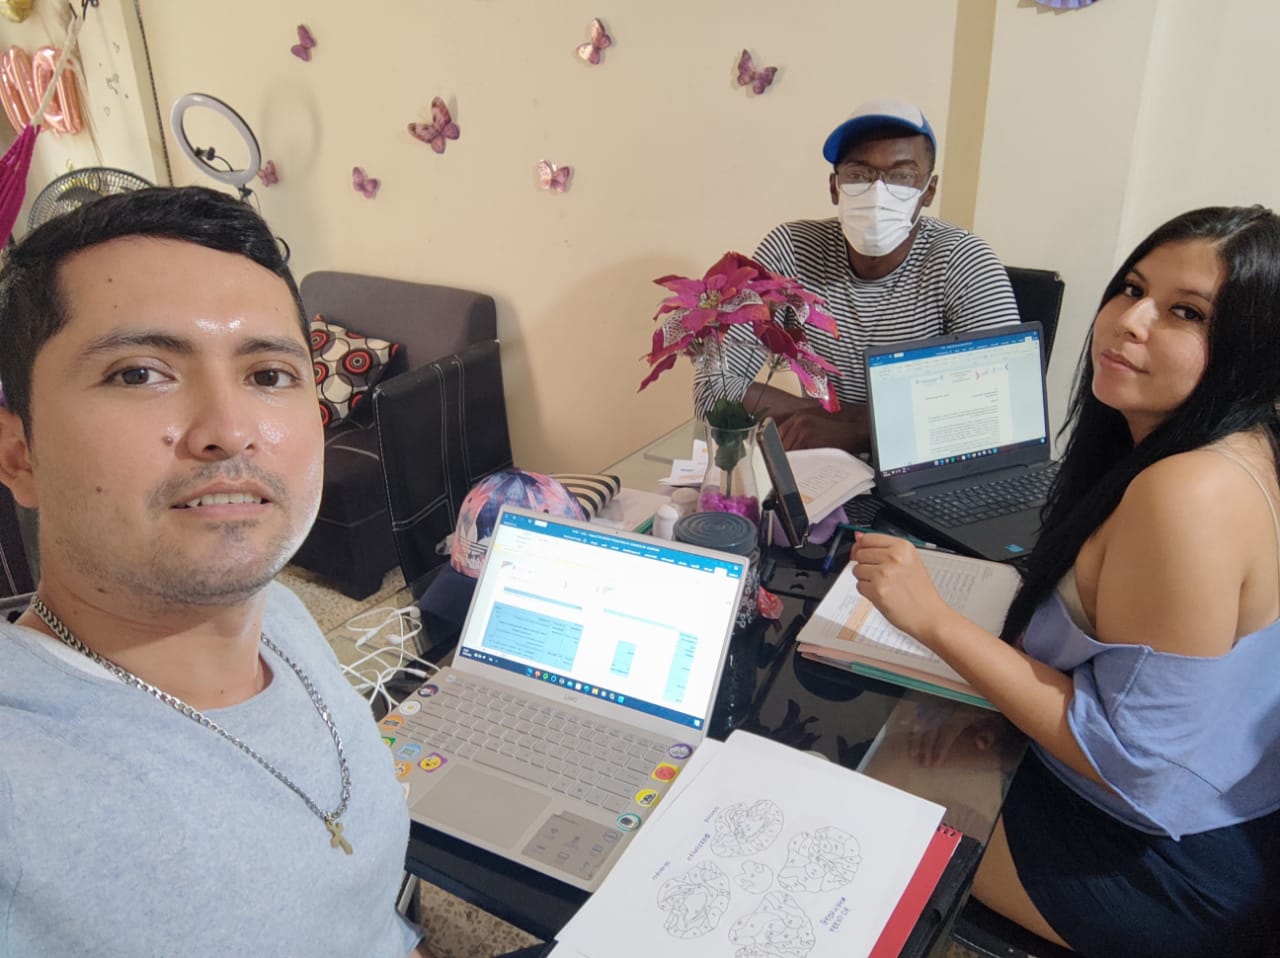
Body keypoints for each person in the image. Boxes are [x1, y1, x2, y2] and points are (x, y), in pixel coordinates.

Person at [0, 187, 430, 957]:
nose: (230, 430)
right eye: (139, 373)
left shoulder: (282, 614)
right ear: (18, 454)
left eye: (269, 375)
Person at [849, 206, 1280, 956]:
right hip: (1225, 800)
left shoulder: (1189, 493)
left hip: (1160, 864)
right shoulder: (1245, 445)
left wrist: (933, 620)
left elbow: (1137, 771)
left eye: (1186, 313)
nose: (1129, 322)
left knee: (860, 773)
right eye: (1132, 289)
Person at [693, 97, 1020, 453]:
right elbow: (712, 389)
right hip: (824, 468)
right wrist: (838, 422)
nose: (878, 192)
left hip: (933, 470)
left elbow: (999, 407)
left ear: (929, 191)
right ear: (834, 186)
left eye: (902, 176)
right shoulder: (792, 249)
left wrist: (859, 429)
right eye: (858, 175)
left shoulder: (963, 260)